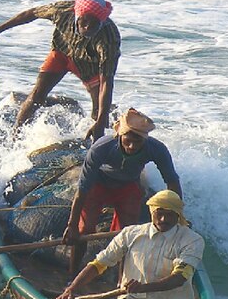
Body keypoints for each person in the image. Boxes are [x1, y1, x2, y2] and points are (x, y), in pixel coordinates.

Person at [55, 190, 204, 299]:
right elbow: (99, 264)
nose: (163, 219)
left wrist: (143, 287)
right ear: (152, 211)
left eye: (169, 215)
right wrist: (71, 289)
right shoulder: (131, 234)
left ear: (178, 215)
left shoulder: (192, 240)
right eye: (159, 213)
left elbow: (179, 278)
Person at [62, 108, 182, 274]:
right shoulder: (102, 147)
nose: (132, 146)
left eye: (138, 142)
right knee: (84, 230)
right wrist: (72, 225)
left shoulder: (156, 149)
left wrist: (178, 215)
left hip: (128, 185)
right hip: (99, 183)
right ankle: (72, 273)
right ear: (120, 136)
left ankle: (120, 280)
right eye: (127, 141)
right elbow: (82, 189)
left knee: (125, 234)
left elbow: (172, 181)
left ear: (145, 140)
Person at [0, 0, 120, 140]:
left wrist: (100, 121)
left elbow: (106, 82)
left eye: (94, 24)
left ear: (102, 23)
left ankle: (97, 143)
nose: (87, 27)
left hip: (90, 65)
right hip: (61, 54)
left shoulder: (109, 38)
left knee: (99, 112)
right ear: (77, 16)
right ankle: (15, 137)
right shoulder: (62, 11)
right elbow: (30, 14)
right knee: (36, 96)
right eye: (84, 21)